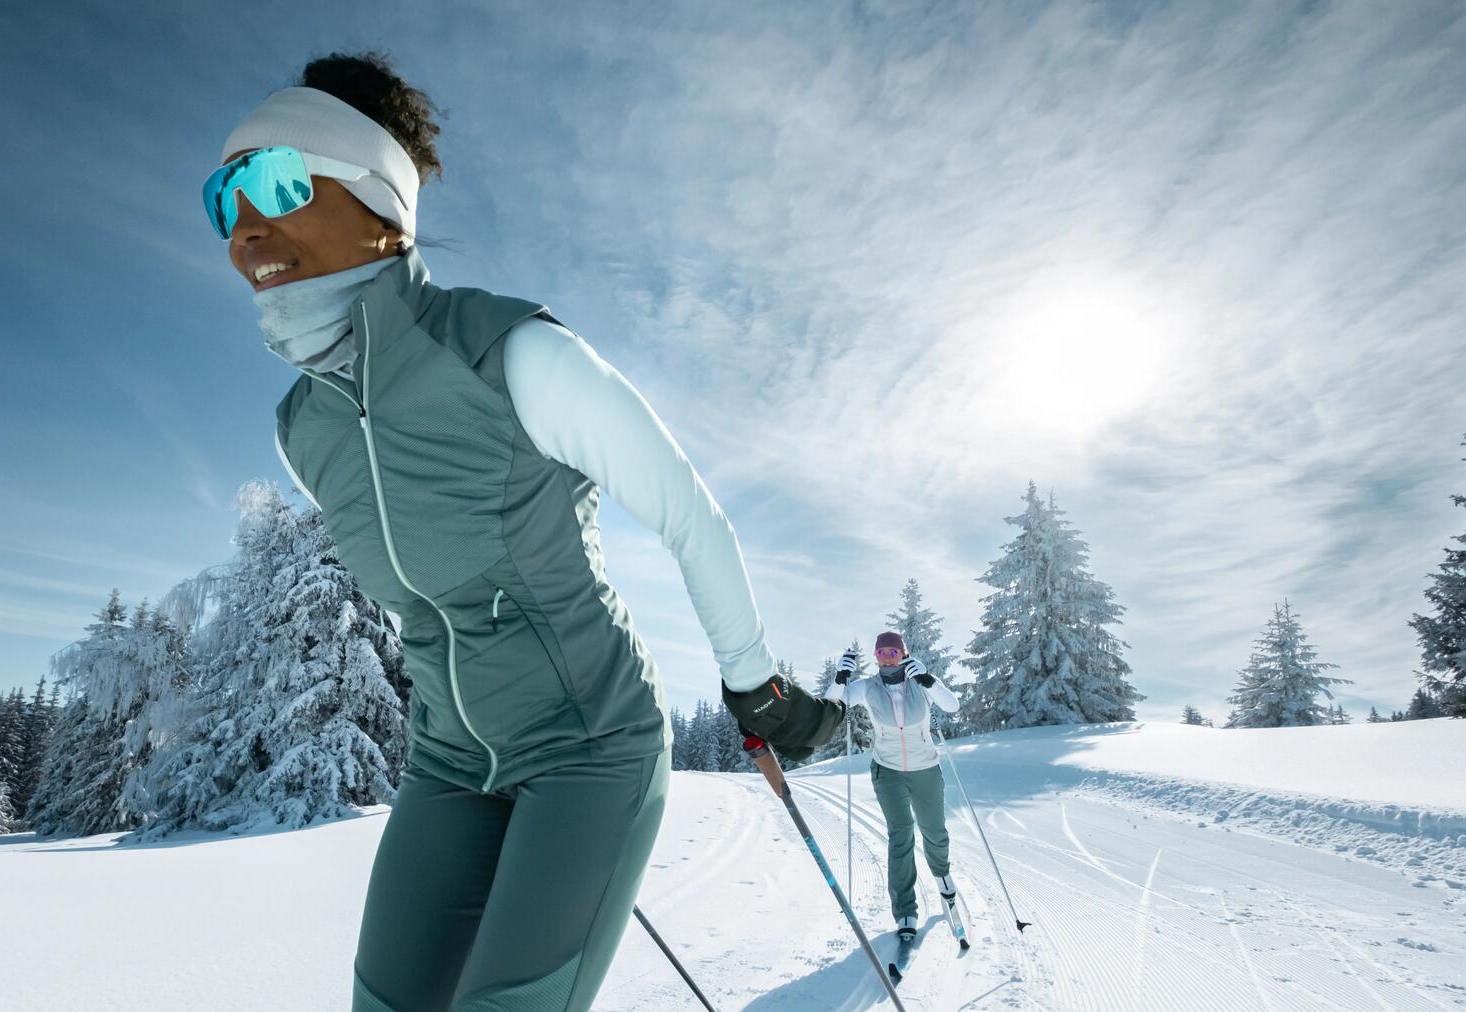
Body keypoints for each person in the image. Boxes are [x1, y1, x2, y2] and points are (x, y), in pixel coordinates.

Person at [202, 52, 841, 1011]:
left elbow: (686, 510)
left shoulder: (514, 355)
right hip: (451, 765)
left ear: (382, 206)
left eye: (279, 185)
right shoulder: (304, 429)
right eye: (223, 200)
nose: (246, 228)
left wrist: (756, 684)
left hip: (590, 749)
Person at [825, 631, 961, 948]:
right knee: (900, 836)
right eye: (882, 653)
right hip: (888, 771)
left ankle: (942, 876)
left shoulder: (919, 681)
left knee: (934, 832)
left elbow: (951, 705)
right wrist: (841, 677)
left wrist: (929, 680)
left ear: (903, 653)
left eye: (893, 652)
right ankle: (905, 912)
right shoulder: (867, 687)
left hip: (925, 768)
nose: (887, 657)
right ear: (875, 657)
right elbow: (832, 704)